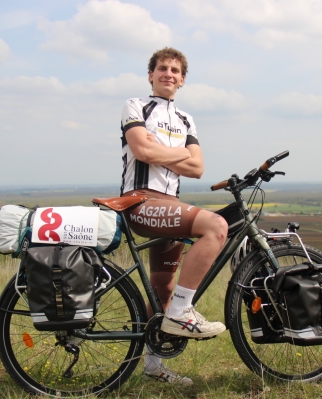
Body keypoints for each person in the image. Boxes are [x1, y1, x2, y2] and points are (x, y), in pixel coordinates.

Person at [119, 47, 229, 386]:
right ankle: (183, 312)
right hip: (141, 202)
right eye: (162, 68)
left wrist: (162, 152)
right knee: (216, 226)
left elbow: (197, 168)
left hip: (170, 206)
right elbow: (141, 149)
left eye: (175, 70)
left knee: (162, 289)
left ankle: (153, 367)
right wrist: (178, 153)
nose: (168, 73)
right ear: (150, 74)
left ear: (182, 80)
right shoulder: (135, 106)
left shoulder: (186, 119)